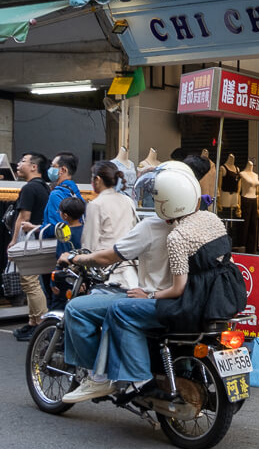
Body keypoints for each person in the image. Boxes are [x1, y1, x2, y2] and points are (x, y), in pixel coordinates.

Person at [59, 163, 193, 403]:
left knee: (76, 309)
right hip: (185, 299)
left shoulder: (151, 226)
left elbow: (105, 255)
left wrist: (76, 258)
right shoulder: (201, 223)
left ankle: (97, 378)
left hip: (140, 288)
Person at [102, 165, 246, 386]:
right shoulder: (212, 219)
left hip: (196, 301)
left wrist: (149, 296)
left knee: (119, 309)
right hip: (228, 293)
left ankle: (138, 378)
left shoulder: (177, 237)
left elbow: (178, 289)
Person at [10, 152, 51, 341]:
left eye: (23, 161)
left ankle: (42, 324)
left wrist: (13, 242)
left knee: (30, 282)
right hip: (41, 239)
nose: (19, 164)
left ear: (34, 166)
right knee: (32, 282)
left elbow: (23, 218)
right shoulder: (45, 187)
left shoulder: (29, 188)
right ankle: (34, 322)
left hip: (30, 239)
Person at [83, 160, 140, 289]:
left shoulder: (96, 204)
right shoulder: (128, 200)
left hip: (106, 270)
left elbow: (89, 244)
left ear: (97, 179)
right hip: (129, 268)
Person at [22, 151, 83, 239]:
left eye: (53, 166)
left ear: (63, 170)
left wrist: (32, 227)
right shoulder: (75, 192)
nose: (50, 169)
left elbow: (56, 228)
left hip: (59, 245)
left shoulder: (56, 194)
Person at [47, 196, 86, 309]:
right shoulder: (86, 230)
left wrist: (53, 282)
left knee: (60, 307)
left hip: (66, 278)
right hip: (83, 278)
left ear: (65, 216)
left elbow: (61, 258)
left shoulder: (65, 232)